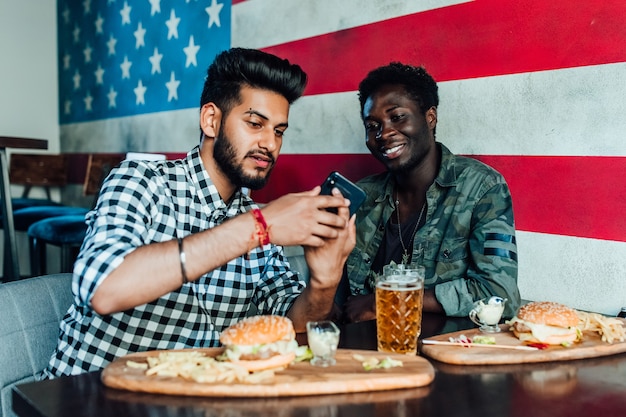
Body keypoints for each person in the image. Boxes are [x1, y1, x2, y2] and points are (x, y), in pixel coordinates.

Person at [42, 48, 355, 378]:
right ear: (211, 120)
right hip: (83, 397)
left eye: (278, 131)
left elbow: (294, 330)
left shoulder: (258, 220)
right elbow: (104, 290)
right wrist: (259, 226)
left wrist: (323, 280)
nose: (270, 144)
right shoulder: (140, 180)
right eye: (255, 124)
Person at [340, 62, 520, 322]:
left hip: (445, 352)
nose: (384, 133)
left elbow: (499, 295)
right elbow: (338, 295)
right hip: (364, 352)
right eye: (372, 125)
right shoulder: (362, 196)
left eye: (397, 116)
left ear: (430, 117)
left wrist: (388, 301)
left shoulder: (481, 188)